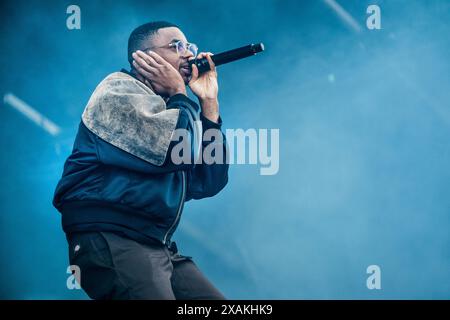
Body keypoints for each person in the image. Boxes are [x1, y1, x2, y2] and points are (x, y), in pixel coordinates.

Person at [53, 21, 229, 299]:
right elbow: (172, 151)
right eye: (177, 46)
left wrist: (209, 103)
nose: (188, 55)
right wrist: (180, 96)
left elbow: (209, 182)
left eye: (190, 47)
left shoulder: (169, 110)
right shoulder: (117, 90)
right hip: (112, 236)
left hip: (157, 245)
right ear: (144, 57)